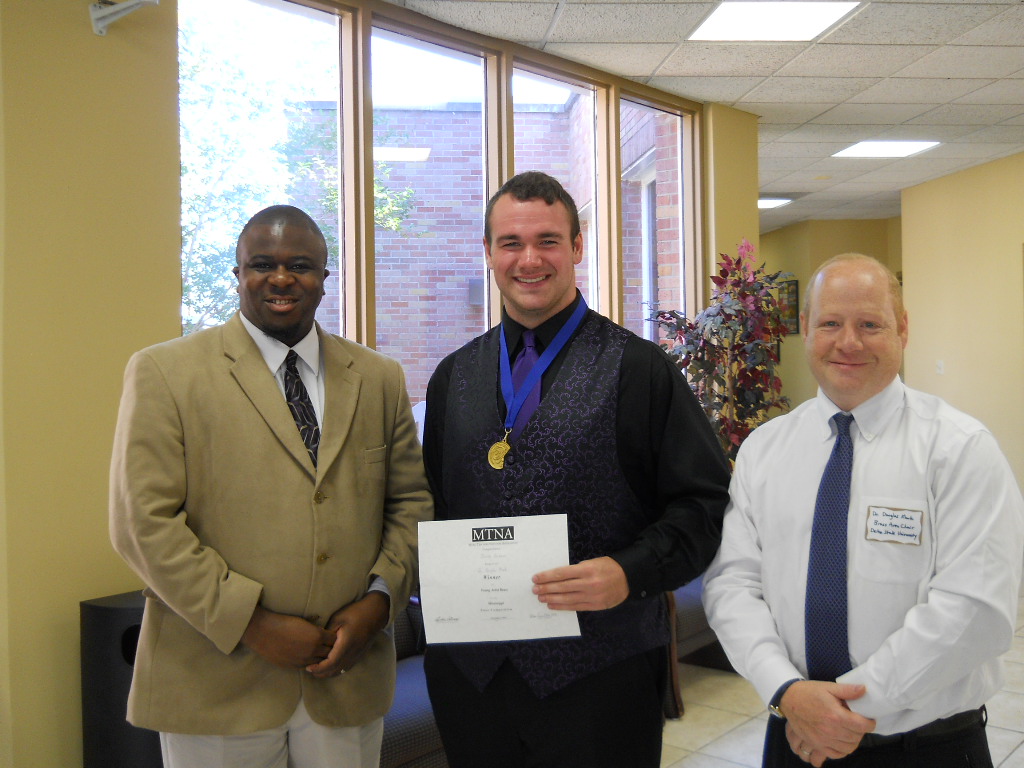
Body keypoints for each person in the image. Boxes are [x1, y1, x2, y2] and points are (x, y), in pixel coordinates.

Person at [421, 171, 731, 768]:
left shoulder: (641, 370)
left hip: (602, 676)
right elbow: (431, 505)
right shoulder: (452, 377)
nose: (529, 259)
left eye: (548, 240)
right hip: (474, 678)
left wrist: (630, 571)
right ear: (488, 252)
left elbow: (705, 507)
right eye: (511, 243)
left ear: (578, 246)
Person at [109, 205, 432, 768]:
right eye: (262, 264)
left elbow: (411, 503)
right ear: (237, 273)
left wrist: (381, 604)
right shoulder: (166, 372)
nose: (281, 279)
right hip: (215, 682)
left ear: (325, 280)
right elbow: (142, 524)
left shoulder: (379, 379)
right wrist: (252, 623)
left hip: (345, 678)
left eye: (300, 265)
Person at [703, 253, 1024, 768]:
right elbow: (732, 584)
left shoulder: (959, 449)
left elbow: (976, 612)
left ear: (902, 329)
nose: (848, 342)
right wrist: (785, 689)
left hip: (927, 747)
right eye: (830, 323)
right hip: (794, 733)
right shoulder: (766, 449)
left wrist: (847, 708)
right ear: (805, 328)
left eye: (869, 325)